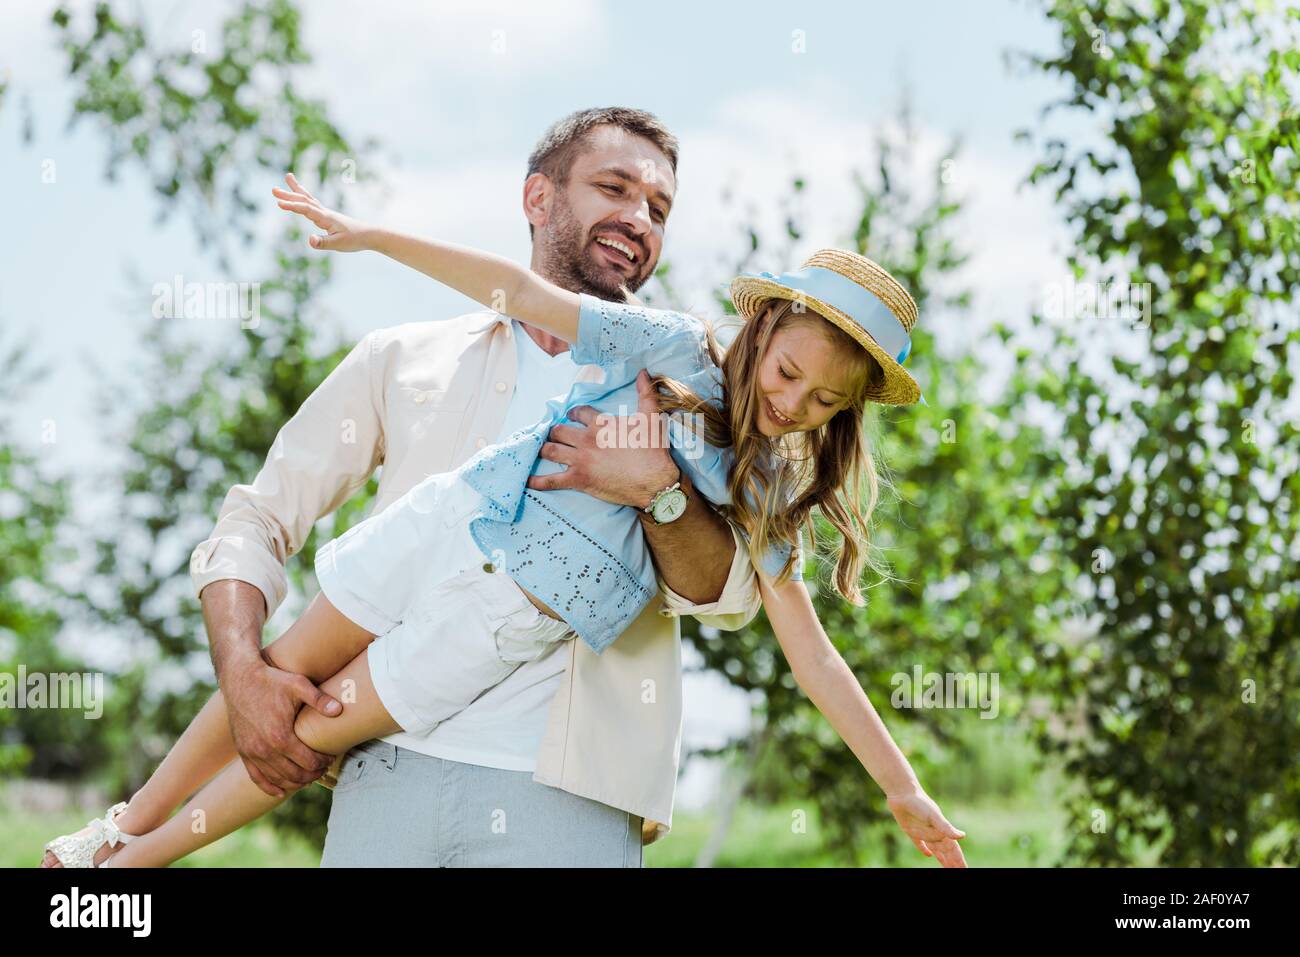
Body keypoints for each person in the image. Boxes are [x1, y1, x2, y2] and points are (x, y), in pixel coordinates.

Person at [41, 174, 968, 868]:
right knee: (279, 674)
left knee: (310, 729)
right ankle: (117, 823)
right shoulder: (674, 342)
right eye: (787, 372)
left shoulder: (768, 489)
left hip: (504, 619)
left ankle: (130, 869)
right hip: (457, 519)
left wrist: (904, 784)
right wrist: (374, 236)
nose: (791, 401)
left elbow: (814, 658)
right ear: (763, 331)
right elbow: (524, 296)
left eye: (821, 402)